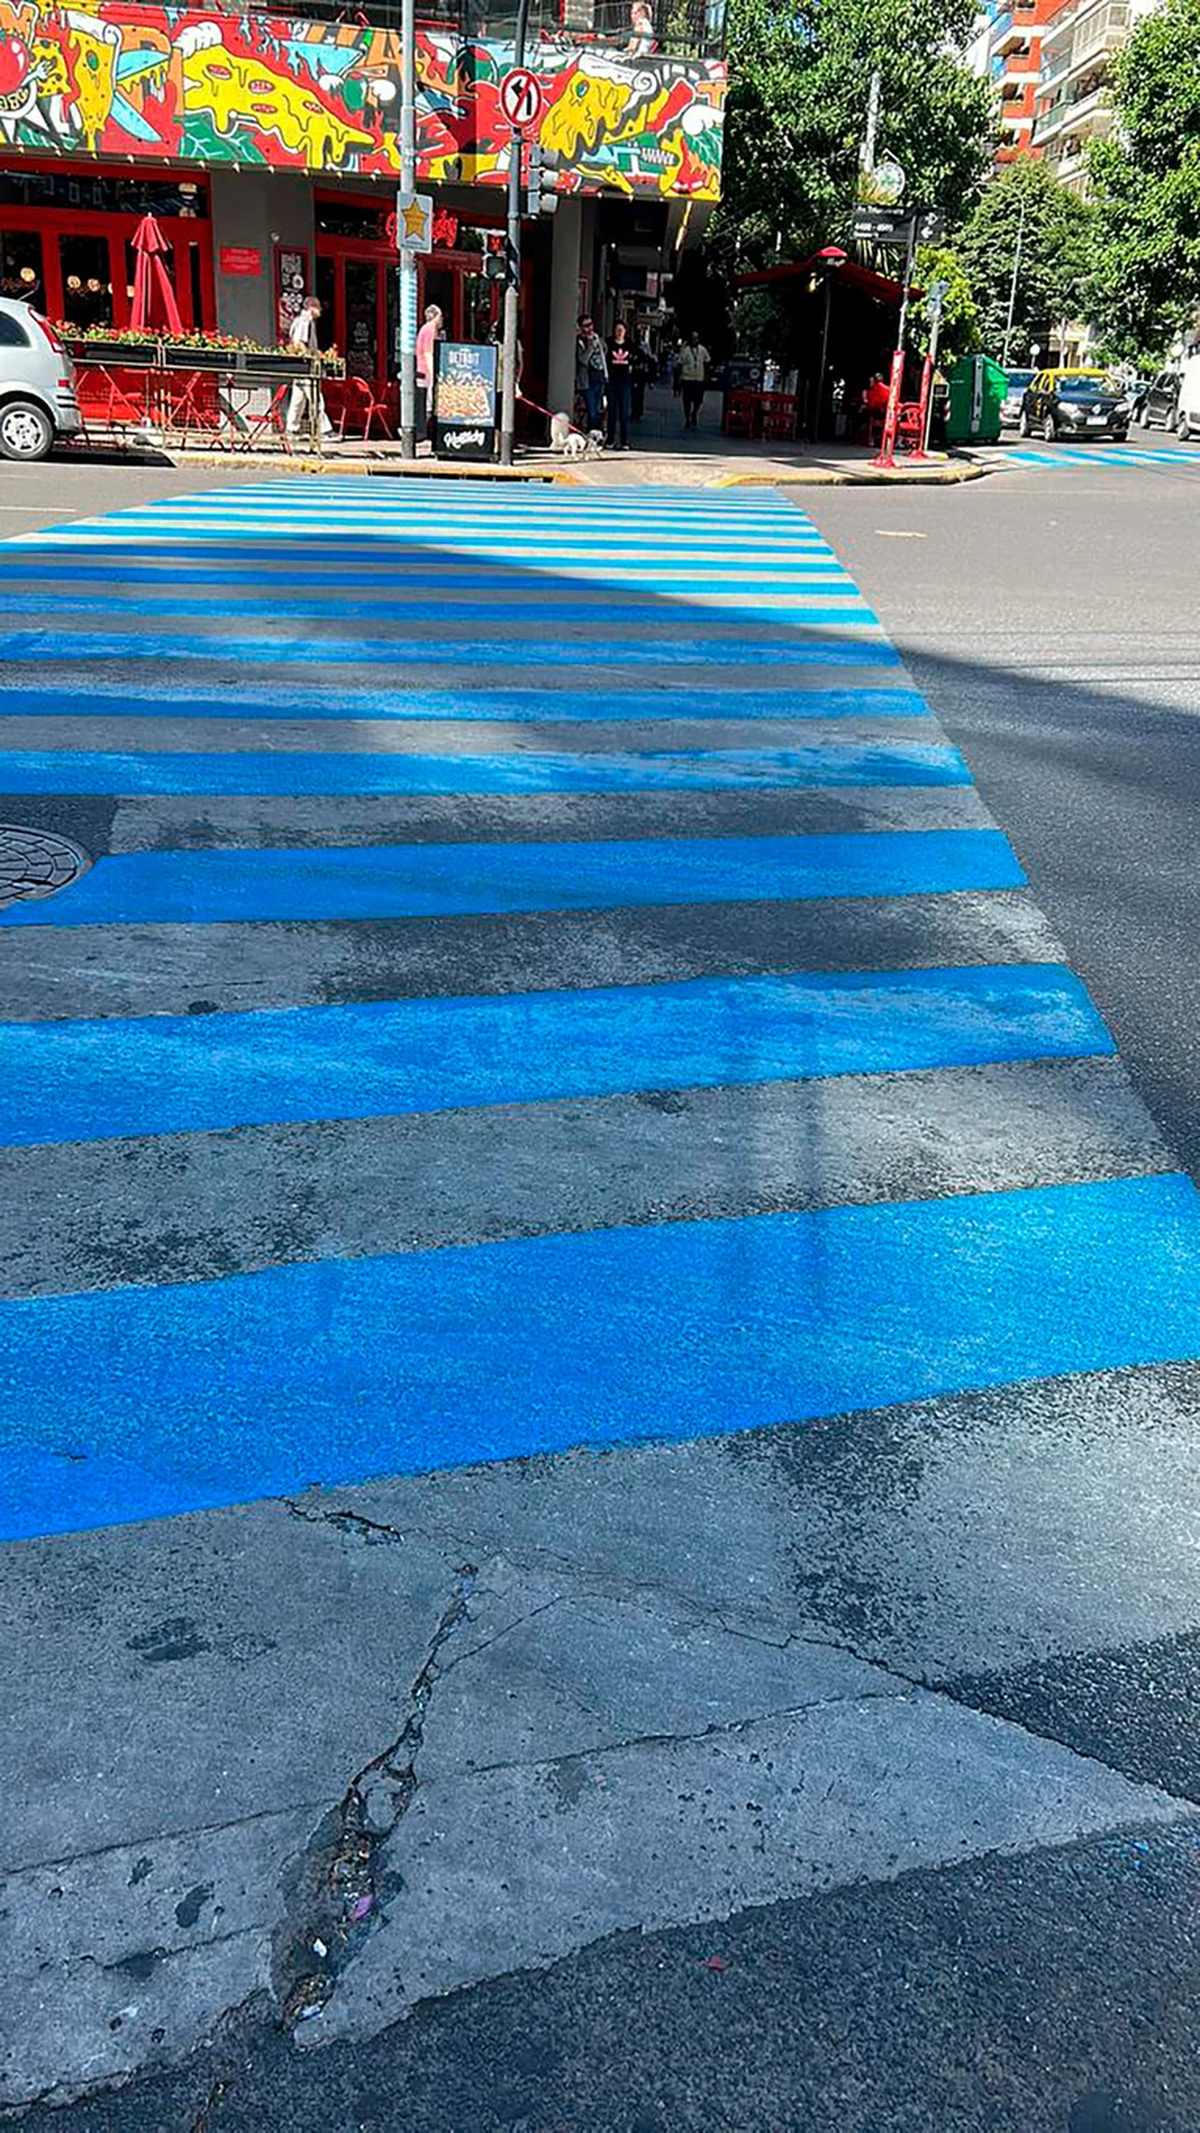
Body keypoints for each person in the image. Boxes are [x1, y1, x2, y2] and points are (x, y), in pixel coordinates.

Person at [285, 295, 332, 441]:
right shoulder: (305, 321)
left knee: (298, 400)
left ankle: (291, 430)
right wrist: (311, 357)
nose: (320, 311)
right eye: (318, 307)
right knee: (316, 399)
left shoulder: (298, 320)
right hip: (305, 367)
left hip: (298, 367)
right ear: (311, 307)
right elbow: (299, 343)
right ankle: (325, 430)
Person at [415, 302, 443, 439]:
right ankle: (422, 432)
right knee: (428, 404)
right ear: (435, 317)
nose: (442, 320)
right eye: (441, 316)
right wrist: (433, 374)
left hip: (422, 370)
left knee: (425, 404)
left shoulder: (425, 329)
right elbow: (428, 353)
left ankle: (423, 431)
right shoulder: (430, 329)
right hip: (426, 372)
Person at [575, 314, 607, 431]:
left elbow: (604, 352)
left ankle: (594, 435)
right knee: (591, 410)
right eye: (586, 326)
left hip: (599, 378)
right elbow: (583, 359)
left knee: (597, 410)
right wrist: (591, 346)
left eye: (591, 324)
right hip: (587, 381)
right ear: (581, 327)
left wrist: (598, 342)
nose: (590, 328)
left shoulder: (597, 338)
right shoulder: (580, 341)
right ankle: (592, 434)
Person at [606, 320, 633, 448]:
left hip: (625, 382)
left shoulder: (629, 344)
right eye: (617, 330)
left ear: (625, 331)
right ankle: (610, 440)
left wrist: (633, 364)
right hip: (611, 381)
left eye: (621, 330)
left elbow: (641, 355)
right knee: (611, 412)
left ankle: (624, 441)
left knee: (624, 412)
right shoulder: (609, 343)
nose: (619, 333)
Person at [678, 331, 710, 430]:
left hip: (699, 379)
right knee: (686, 400)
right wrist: (679, 378)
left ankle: (694, 413)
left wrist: (706, 377)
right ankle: (687, 418)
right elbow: (680, 363)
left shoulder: (702, 350)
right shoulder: (685, 350)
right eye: (693, 338)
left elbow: (707, 362)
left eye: (696, 338)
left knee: (698, 400)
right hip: (687, 379)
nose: (694, 340)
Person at [631, 331, 655, 422]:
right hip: (635, 372)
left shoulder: (644, 347)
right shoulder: (633, 347)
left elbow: (649, 358)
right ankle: (635, 410)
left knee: (639, 393)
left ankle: (638, 411)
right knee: (635, 393)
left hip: (640, 373)